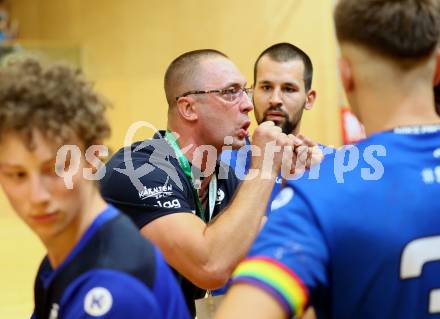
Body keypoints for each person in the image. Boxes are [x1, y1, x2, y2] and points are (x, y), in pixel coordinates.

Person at [216, 0, 440, 318]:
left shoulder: (322, 190)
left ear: (345, 75)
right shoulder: (226, 164)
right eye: (266, 86)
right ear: (438, 69)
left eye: (289, 88)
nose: (276, 98)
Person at [100, 49, 310, 316]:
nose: (247, 103)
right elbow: (210, 266)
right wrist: (266, 166)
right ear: (188, 108)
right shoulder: (137, 170)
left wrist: (302, 186)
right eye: (230, 92)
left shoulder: (223, 178)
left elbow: (281, 252)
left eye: (245, 90)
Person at [0, 58, 189, 319]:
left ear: (93, 156)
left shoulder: (113, 286)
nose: (37, 196)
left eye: (56, 168)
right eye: (17, 174)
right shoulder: (65, 256)